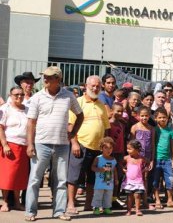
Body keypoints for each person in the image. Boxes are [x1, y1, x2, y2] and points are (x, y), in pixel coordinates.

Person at [25, 66, 84, 221]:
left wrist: (73, 133)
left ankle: (59, 212)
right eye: (44, 76)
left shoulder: (68, 96)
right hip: (41, 144)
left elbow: (80, 115)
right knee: (34, 179)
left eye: (49, 77)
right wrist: (30, 144)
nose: (45, 79)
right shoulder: (37, 97)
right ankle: (30, 212)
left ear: (58, 79)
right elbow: (31, 122)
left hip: (62, 144)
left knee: (61, 180)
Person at [67, 75, 110, 214]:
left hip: (97, 148)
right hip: (81, 145)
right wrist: (74, 143)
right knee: (74, 176)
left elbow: (106, 127)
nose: (95, 88)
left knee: (93, 178)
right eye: (92, 85)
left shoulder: (102, 106)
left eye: (98, 86)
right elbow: (70, 125)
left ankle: (88, 205)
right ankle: (71, 205)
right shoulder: (78, 102)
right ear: (86, 86)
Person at [0, 86, 29, 212]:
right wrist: (5, 144)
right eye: (16, 94)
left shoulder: (28, 109)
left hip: (24, 146)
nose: (19, 96)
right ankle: (5, 202)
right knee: (7, 176)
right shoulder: (5, 108)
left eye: (21, 94)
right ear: (10, 95)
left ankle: (17, 202)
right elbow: (0, 128)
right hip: (10, 146)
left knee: (20, 176)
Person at [130, 106, 155, 206]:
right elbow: (131, 144)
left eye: (146, 116)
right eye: (142, 116)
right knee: (135, 177)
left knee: (145, 178)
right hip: (136, 157)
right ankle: (133, 202)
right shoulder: (135, 127)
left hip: (147, 157)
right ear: (138, 116)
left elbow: (152, 144)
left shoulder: (151, 128)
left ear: (149, 116)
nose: (144, 118)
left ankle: (144, 201)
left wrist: (152, 160)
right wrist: (131, 157)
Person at [153, 107, 173, 208]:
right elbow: (152, 144)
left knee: (170, 179)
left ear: (167, 119)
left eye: (164, 117)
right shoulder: (154, 130)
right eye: (160, 117)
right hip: (157, 159)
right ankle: (157, 200)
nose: (162, 119)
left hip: (167, 159)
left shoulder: (170, 131)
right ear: (156, 119)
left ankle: (170, 200)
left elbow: (172, 146)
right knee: (156, 181)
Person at [91, 137, 118, 215]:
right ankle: (96, 208)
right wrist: (100, 169)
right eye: (106, 147)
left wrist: (116, 179)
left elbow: (114, 170)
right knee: (98, 195)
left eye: (110, 148)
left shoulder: (113, 159)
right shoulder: (98, 158)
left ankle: (106, 208)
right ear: (101, 148)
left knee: (108, 195)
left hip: (109, 182)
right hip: (99, 182)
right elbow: (93, 167)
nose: (108, 150)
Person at [122, 140, 147, 216]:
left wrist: (144, 170)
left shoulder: (141, 159)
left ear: (136, 150)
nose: (127, 150)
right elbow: (120, 164)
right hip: (129, 181)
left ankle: (137, 210)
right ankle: (129, 210)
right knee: (129, 196)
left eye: (130, 149)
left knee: (137, 195)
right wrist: (124, 170)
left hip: (138, 181)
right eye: (127, 148)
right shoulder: (126, 158)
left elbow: (148, 164)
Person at [108, 103, 126, 206]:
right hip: (111, 153)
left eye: (121, 111)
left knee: (118, 176)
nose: (119, 113)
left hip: (120, 153)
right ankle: (108, 198)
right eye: (117, 111)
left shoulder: (121, 124)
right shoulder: (109, 124)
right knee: (109, 176)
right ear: (112, 111)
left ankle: (115, 198)